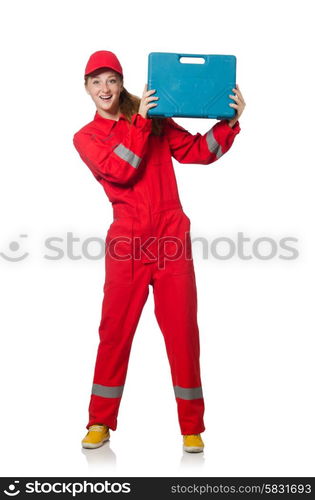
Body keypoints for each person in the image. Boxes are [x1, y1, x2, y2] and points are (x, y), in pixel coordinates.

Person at [73, 50, 245, 453]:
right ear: (86, 88)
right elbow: (121, 170)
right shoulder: (87, 137)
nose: (104, 88)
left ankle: (191, 427)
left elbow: (198, 153)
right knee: (114, 333)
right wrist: (141, 123)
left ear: (122, 82)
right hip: (127, 245)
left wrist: (230, 122)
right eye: (96, 81)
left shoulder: (155, 120)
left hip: (170, 241)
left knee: (183, 333)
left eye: (111, 80)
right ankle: (100, 421)